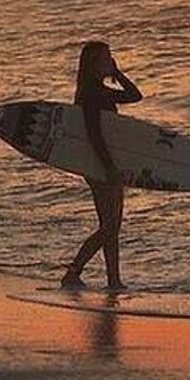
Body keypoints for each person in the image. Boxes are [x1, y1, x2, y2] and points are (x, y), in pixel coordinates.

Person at [61, 40, 141, 292]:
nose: (110, 61)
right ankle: (74, 271)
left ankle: (113, 280)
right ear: (95, 64)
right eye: (107, 59)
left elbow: (134, 95)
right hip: (100, 164)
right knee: (109, 226)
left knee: (112, 225)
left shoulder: (97, 90)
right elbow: (94, 134)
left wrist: (117, 74)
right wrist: (108, 167)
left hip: (103, 163)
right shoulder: (91, 95)